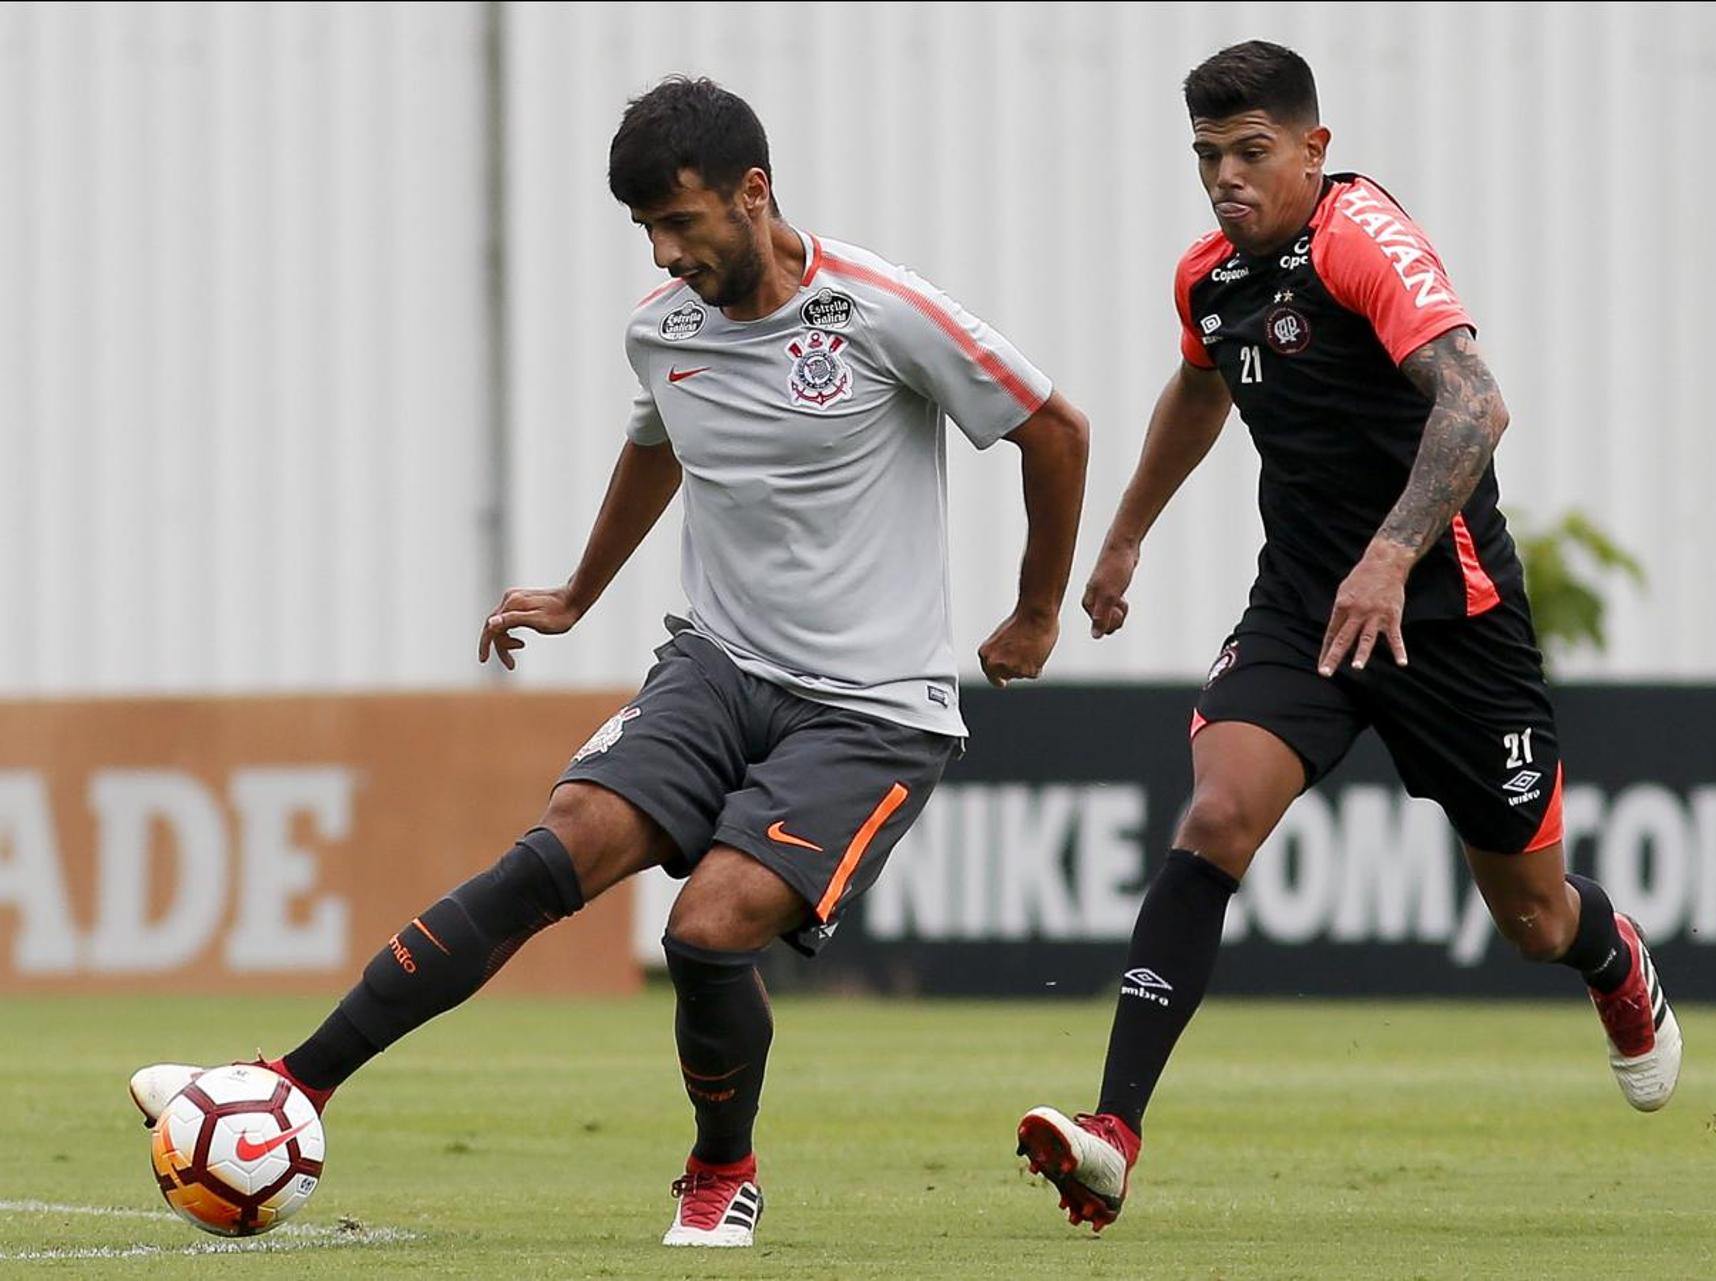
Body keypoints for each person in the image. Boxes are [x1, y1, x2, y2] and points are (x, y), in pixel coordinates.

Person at [130, 75, 1088, 1249]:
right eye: (647, 229)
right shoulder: (661, 330)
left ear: (754, 192)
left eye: (682, 222)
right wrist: (579, 593)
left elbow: (1056, 428)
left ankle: (721, 1169)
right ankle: (291, 1084)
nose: (666, 251)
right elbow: (658, 448)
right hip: (718, 665)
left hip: (872, 710)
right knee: (557, 851)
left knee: (708, 928)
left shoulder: (884, 313)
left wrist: (1037, 611)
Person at [1015, 40, 1679, 1232]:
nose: (1226, 177)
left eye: (1252, 153)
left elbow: (1477, 402)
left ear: (1314, 150)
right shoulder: (1209, 279)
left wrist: (1391, 556)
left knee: (1530, 920)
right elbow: (1203, 387)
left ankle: (1610, 957)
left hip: (1453, 621)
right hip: (1308, 609)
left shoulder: (1361, 239)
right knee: (1214, 816)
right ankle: (1112, 1131)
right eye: (1207, 156)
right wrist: (1122, 541)